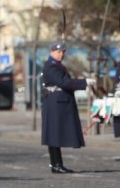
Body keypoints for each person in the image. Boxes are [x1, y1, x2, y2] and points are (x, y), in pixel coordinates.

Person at [40, 40, 93, 173]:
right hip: (56, 103)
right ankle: (56, 164)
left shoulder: (56, 65)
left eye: (63, 52)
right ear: (51, 52)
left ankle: (56, 164)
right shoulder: (51, 66)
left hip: (58, 102)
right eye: (59, 52)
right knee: (54, 135)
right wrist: (84, 82)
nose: (61, 54)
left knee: (54, 135)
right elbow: (63, 82)